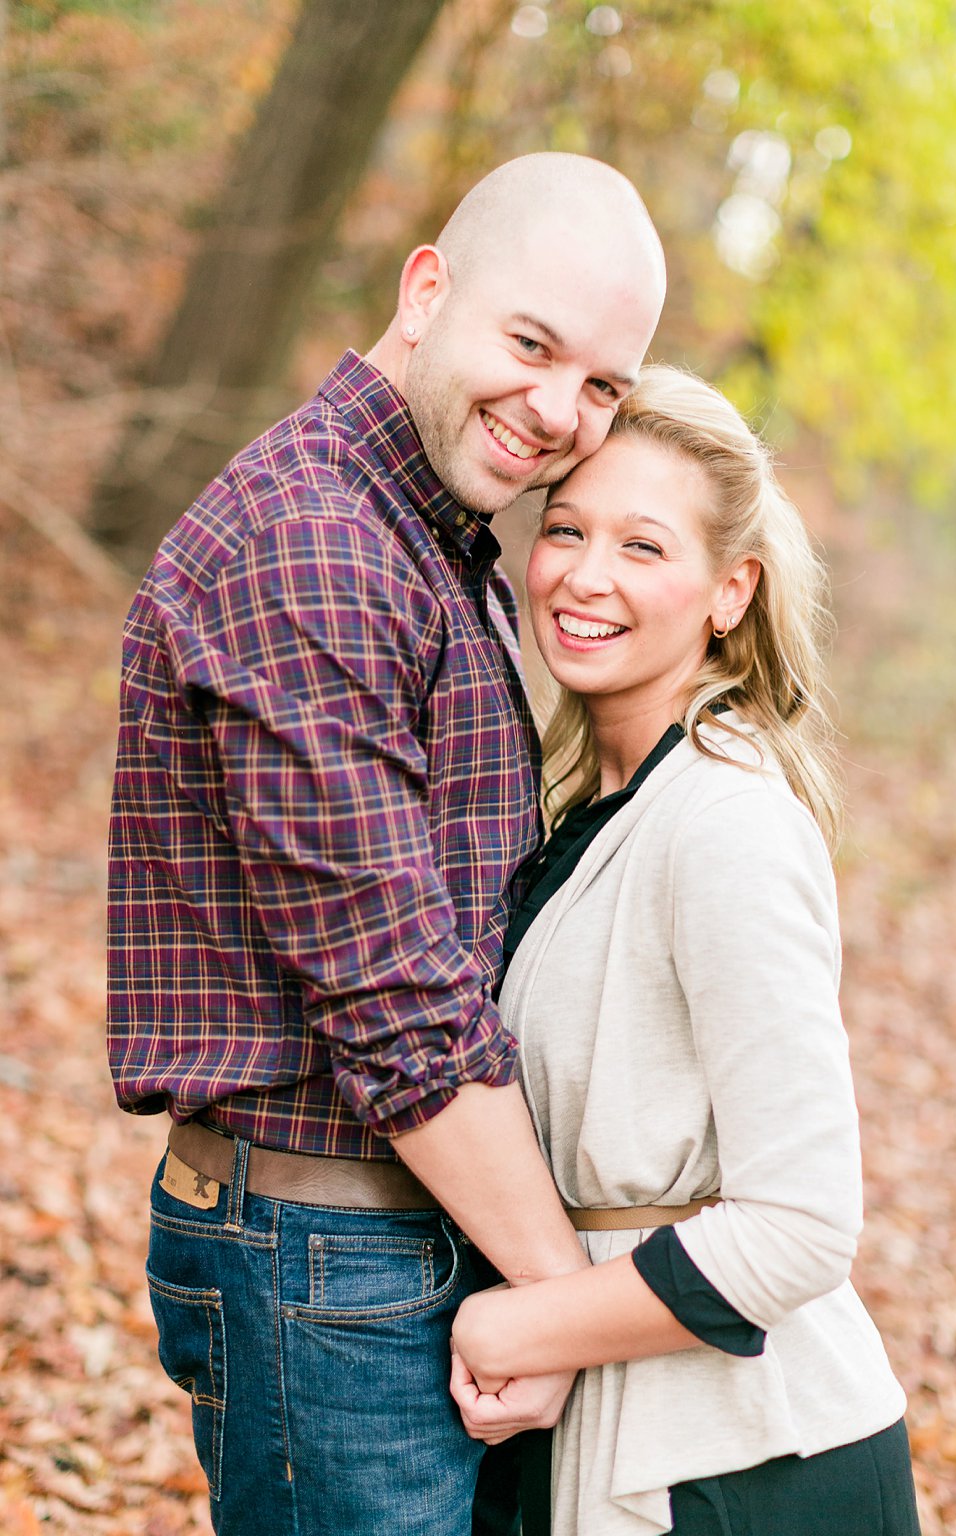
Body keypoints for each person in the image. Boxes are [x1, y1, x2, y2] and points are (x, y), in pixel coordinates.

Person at [105, 154, 666, 1533]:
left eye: (602, 385)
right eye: (532, 345)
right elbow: (396, 999)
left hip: (390, 1232)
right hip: (327, 1260)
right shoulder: (319, 547)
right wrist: (561, 1300)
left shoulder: (427, 534)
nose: (558, 413)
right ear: (429, 291)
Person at [443, 366, 918, 1535]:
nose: (584, 577)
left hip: (744, 1471)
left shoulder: (725, 819)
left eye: (641, 547)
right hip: (628, 1437)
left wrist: (523, 1324)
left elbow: (801, 1224)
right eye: (565, 530)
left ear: (728, 590)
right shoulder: (590, 805)